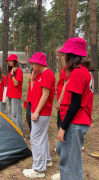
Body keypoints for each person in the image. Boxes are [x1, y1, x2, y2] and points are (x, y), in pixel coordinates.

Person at [52, 37, 94, 180]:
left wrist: (63, 128)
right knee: (63, 153)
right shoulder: (84, 71)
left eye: (65, 54)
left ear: (71, 55)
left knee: (71, 165)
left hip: (75, 123)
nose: (63, 57)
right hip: (77, 122)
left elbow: (75, 103)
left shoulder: (77, 73)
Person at [23, 52, 55, 178]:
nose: (31, 65)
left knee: (36, 138)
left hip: (42, 112)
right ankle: (47, 160)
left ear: (38, 63)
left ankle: (38, 170)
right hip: (38, 110)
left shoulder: (47, 74)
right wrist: (32, 80)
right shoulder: (40, 74)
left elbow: (45, 95)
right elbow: (34, 92)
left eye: (33, 63)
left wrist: (36, 112)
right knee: (41, 137)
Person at [6, 54, 23, 132]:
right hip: (9, 94)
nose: (9, 62)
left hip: (15, 95)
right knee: (10, 113)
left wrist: (13, 74)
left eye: (10, 60)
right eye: (8, 61)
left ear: (14, 61)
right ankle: (12, 131)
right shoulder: (11, 71)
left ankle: (19, 131)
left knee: (15, 114)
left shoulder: (18, 71)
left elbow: (16, 83)